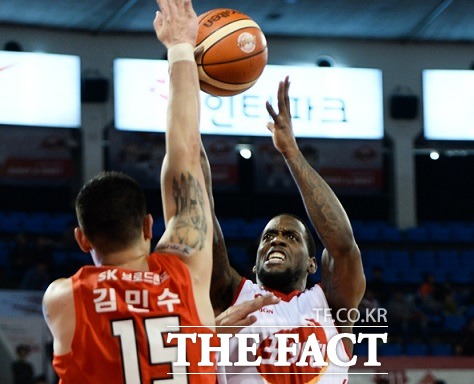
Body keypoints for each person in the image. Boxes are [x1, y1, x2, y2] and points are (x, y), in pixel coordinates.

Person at [41, 1, 278, 382]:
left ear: (82, 239)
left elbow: (129, 346)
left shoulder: (62, 299)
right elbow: (184, 155)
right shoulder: (185, 270)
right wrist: (180, 49)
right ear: (149, 225)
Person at [207, 76, 365, 382]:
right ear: (254, 262)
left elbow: (343, 246)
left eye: (290, 236)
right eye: (268, 236)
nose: (276, 241)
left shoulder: (331, 305)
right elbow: (203, 222)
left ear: (312, 262)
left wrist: (291, 153)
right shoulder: (233, 295)